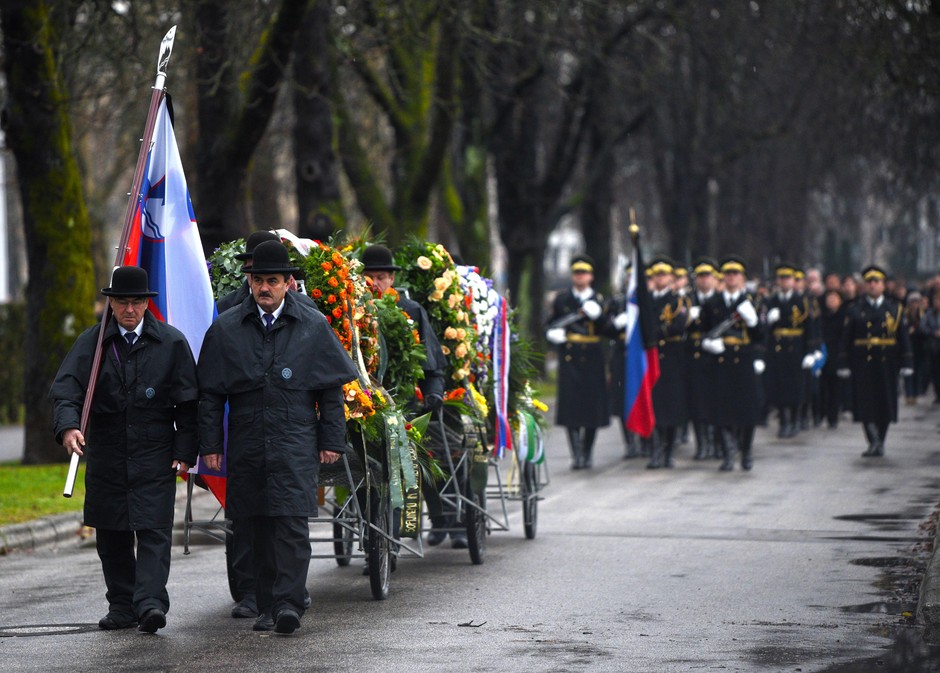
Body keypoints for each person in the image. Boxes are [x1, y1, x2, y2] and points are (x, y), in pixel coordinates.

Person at [198, 240, 358, 634]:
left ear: (288, 283)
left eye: (272, 280)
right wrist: (210, 447)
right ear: (248, 282)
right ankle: (267, 605)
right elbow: (211, 394)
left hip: (295, 442)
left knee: (290, 524)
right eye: (258, 280)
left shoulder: (312, 325)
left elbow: (331, 392)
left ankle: (289, 604)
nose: (264, 288)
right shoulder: (226, 328)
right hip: (247, 442)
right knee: (255, 525)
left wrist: (331, 441)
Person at [50, 266, 199, 634]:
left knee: (153, 531)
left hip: (155, 454)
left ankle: (149, 603)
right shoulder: (92, 343)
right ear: (111, 303)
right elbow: (66, 389)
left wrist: (185, 450)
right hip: (108, 452)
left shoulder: (171, 343)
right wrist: (68, 427)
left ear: (147, 304)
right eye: (121, 302)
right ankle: (121, 604)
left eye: (136, 302)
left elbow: (189, 405)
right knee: (112, 532)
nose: (129, 309)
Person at [359, 244, 465, 548]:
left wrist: (433, 394)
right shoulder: (354, 310)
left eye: (381, 276)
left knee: (436, 449)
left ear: (392, 278)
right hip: (363, 404)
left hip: (407, 405)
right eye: (369, 277)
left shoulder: (411, 311)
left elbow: (433, 365)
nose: (375, 283)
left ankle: (445, 514)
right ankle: (375, 537)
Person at [836, 264, 913, 457]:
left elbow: (903, 337)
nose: (872, 285)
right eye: (869, 282)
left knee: (885, 402)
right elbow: (846, 338)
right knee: (865, 403)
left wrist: (907, 362)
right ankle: (873, 441)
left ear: (883, 285)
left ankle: (881, 440)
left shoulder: (894, 309)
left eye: (876, 282)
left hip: (887, 361)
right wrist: (843, 363)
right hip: (863, 362)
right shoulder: (855, 309)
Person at [699, 255, 765, 471]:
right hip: (721, 360)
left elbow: (761, 337)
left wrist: (753, 321)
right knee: (722, 410)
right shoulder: (712, 303)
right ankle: (728, 455)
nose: (731, 278)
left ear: (742, 278)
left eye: (735, 274)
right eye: (727, 274)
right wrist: (707, 344)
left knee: (746, 411)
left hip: (744, 359)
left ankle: (746, 452)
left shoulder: (752, 302)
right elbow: (702, 331)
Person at [546, 254, 610, 469]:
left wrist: (599, 316)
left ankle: (587, 452)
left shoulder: (599, 300)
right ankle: (577, 455)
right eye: (576, 273)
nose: (580, 277)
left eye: (584, 273)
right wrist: (554, 337)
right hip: (570, 356)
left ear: (591, 276)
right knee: (571, 408)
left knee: (591, 408)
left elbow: (608, 330)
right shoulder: (563, 299)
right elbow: (550, 324)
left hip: (592, 356)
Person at [644, 256, 689, 469]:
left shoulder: (677, 301)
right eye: (657, 275)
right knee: (652, 405)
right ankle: (654, 451)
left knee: (670, 407)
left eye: (664, 275)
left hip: (671, 358)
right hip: (650, 357)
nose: (661, 278)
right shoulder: (645, 301)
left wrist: (655, 332)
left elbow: (678, 326)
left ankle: (668, 451)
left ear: (671, 277)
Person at [763, 264, 815, 438]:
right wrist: (768, 321)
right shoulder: (772, 301)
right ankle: (784, 422)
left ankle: (794, 420)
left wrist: (811, 352)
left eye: (787, 278)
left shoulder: (802, 302)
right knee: (779, 387)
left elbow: (810, 329)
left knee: (795, 387)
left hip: (796, 347)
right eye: (781, 278)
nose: (784, 282)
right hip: (778, 348)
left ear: (793, 281)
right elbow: (764, 332)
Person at [686, 257, 719, 460]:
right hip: (695, 354)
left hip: (716, 354)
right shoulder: (688, 300)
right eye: (700, 276)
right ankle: (702, 444)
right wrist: (687, 318)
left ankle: (716, 444)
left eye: (707, 276)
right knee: (697, 402)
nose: (704, 280)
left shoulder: (720, 299)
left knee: (716, 401)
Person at [819, 289, 847, 428]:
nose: (831, 301)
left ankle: (833, 417)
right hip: (823, 354)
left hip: (837, 355)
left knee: (835, 389)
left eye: (834, 298)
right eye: (829, 298)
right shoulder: (821, 316)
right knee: (821, 389)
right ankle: (820, 414)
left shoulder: (844, 317)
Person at [921, 292, 940, 403]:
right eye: (936, 301)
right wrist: (934, 333)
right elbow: (923, 327)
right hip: (933, 346)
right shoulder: (929, 314)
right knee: (935, 372)